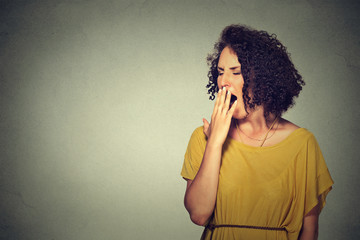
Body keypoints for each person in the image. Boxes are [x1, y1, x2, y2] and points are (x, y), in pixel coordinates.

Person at [181, 24, 333, 240]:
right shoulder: (203, 137)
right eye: (220, 72)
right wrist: (215, 142)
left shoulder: (302, 144)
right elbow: (198, 214)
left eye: (236, 72)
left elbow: (309, 231)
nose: (223, 82)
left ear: (263, 79)